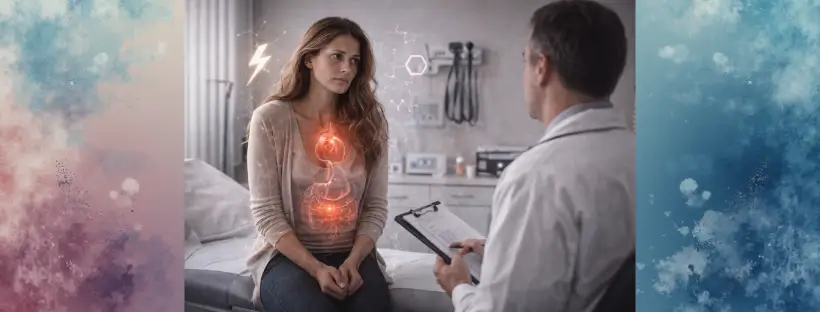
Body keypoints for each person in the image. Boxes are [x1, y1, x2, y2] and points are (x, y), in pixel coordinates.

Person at [433, 1, 635, 311]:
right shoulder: (638, 156)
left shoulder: (537, 177)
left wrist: (458, 287)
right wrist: (500, 252)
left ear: (542, 67)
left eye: (525, 60)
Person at [245, 17, 392, 312]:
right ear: (309, 58)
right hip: (287, 256)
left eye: (354, 60)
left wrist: (353, 261)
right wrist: (316, 268)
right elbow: (266, 213)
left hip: (354, 254)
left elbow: (376, 207)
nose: (347, 68)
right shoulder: (270, 119)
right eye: (337, 56)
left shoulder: (369, 122)